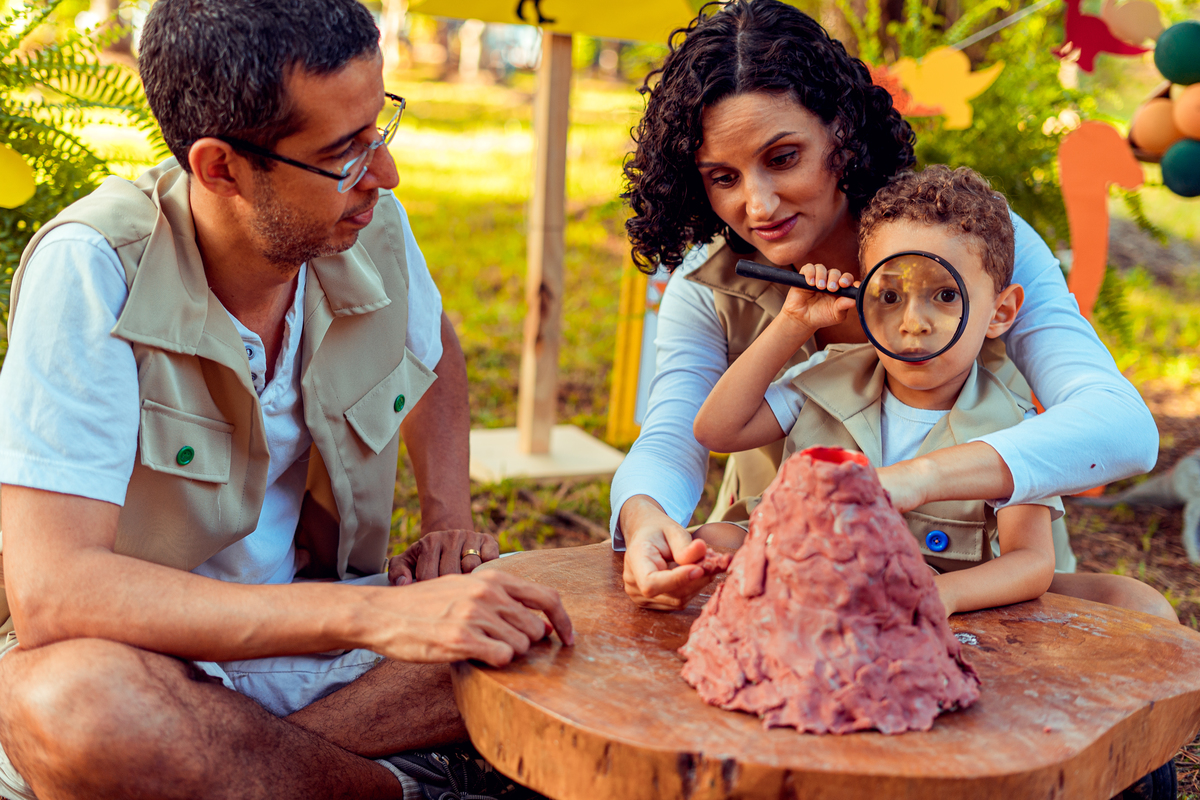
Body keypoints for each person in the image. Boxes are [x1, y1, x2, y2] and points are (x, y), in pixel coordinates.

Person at [0, 2, 572, 799]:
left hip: (329, 650)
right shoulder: (94, 270)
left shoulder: (366, 224)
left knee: (569, 612)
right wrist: (378, 621)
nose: (385, 175)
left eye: (379, 129)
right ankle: (397, 787)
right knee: (73, 710)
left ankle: (242, 772)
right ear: (220, 168)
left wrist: (449, 521)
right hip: (154, 662)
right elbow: (54, 594)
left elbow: (431, 342)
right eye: (343, 152)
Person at [611, 0, 1159, 611]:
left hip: (972, 571)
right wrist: (643, 521)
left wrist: (913, 483)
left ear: (842, 134)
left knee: (1138, 611)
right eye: (723, 177)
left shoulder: (972, 240)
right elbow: (675, 439)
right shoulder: (706, 284)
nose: (758, 205)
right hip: (795, 564)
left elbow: (1122, 428)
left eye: (783, 158)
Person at [691, 165, 1174, 620]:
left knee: (1135, 602)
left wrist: (944, 594)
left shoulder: (1016, 426)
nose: (913, 323)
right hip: (815, 571)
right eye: (890, 295)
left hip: (944, 600)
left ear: (1001, 313)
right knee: (712, 537)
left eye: (945, 296)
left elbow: (1031, 561)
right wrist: (791, 324)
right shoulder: (826, 377)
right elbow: (718, 429)